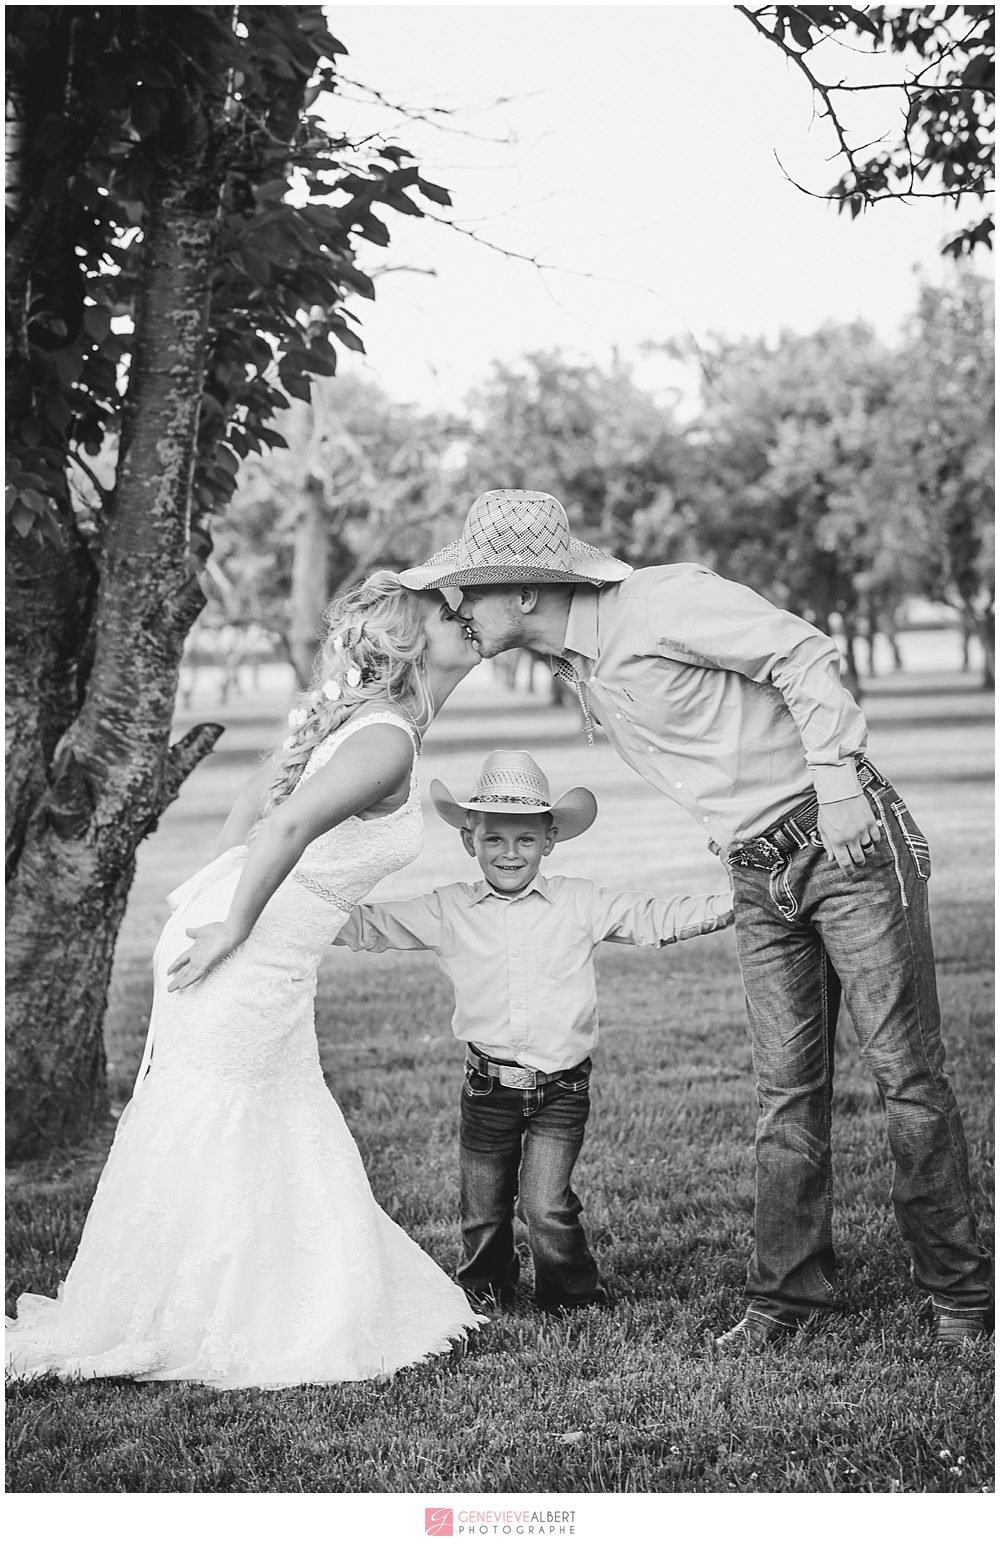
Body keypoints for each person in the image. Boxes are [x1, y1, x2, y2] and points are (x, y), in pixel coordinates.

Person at [399, 490, 992, 1350]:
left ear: (524, 590)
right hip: (754, 866)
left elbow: (800, 650)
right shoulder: (580, 663)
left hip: (840, 839)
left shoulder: (658, 601)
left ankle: (960, 1294)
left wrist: (837, 785)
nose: (458, 607)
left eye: (470, 592)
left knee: (906, 1077)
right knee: (786, 1093)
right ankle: (788, 1294)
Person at [5, 572, 486, 1389]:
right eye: (450, 612)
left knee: (260, 1116)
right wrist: (230, 921)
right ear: (412, 644)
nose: (466, 617)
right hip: (245, 951)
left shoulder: (380, 722)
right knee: (227, 1117)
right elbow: (285, 821)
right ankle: (210, 1316)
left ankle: (236, 1299)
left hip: (267, 950)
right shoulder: (386, 740)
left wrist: (225, 890)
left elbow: (255, 797)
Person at [333, 749, 734, 1314]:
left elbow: (655, 919)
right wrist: (294, 907)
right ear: (469, 841)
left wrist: (739, 900)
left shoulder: (580, 902)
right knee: (483, 1208)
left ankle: (571, 1297)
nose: (509, 852)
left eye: (525, 839)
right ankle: (485, 1292)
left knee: (546, 1206)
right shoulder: (449, 909)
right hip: (487, 1087)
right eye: (493, 838)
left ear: (549, 840)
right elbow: (370, 925)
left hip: (561, 1088)